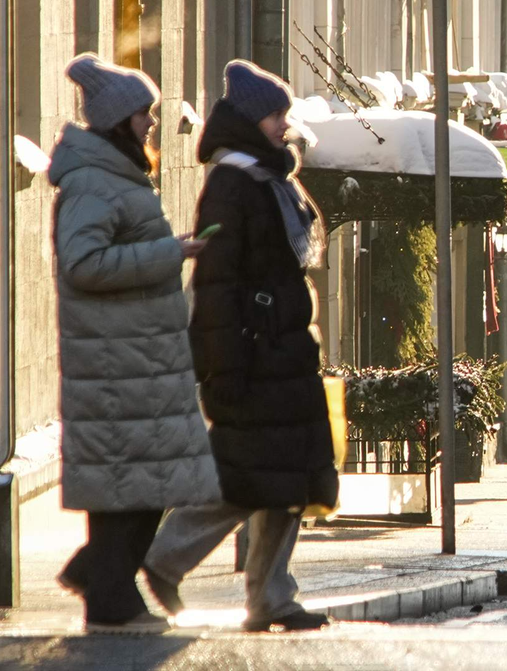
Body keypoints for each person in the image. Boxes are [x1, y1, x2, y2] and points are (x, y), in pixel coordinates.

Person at [142, 60, 337, 632]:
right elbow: (216, 284)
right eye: (275, 115)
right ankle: (165, 559)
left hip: (283, 356)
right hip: (254, 358)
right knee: (245, 478)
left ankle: (272, 598)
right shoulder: (233, 182)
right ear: (251, 120)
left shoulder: (269, 177)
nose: (284, 125)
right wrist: (222, 368)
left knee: (287, 482)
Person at [49, 53, 220, 634]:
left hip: (136, 361)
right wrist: (170, 252)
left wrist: (171, 249)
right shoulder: (93, 181)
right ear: (118, 120)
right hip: (116, 365)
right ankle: (110, 600)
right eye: (144, 113)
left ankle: (100, 580)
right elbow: (83, 263)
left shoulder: (114, 175)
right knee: (132, 487)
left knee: (148, 482)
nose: (151, 123)